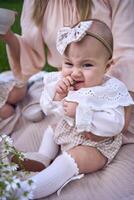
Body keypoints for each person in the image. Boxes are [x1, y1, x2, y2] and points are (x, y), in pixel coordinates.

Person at [0, 1, 134, 200]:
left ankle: (27, 189)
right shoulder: (67, 82)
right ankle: (43, 158)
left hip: (96, 144)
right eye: (69, 63)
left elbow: (115, 123)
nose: (76, 72)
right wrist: (57, 96)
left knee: (70, 161)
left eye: (87, 65)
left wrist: (81, 112)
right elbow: (50, 108)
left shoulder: (111, 90)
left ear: (106, 67)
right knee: (52, 130)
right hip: (68, 132)